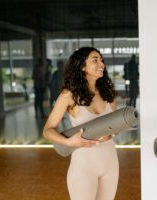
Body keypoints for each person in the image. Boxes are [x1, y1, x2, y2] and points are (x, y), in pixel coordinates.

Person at [43, 47, 119, 200]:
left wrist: (115, 131)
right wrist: (68, 141)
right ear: (82, 66)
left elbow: (115, 124)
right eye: (95, 60)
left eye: (101, 60)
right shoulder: (69, 95)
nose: (101, 63)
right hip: (84, 167)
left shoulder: (107, 93)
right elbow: (47, 130)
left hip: (110, 163)